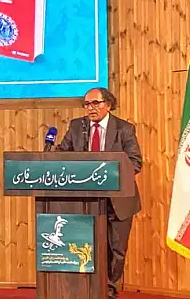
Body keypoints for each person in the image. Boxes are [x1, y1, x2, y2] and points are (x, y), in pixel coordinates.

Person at [56, 87, 142, 299]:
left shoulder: (124, 129)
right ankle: (86, 290)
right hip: (85, 199)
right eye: (87, 104)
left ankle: (108, 291)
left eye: (95, 103)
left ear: (108, 105)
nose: (90, 108)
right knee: (86, 246)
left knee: (116, 250)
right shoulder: (77, 127)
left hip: (118, 200)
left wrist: (109, 175)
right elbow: (62, 154)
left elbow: (135, 162)